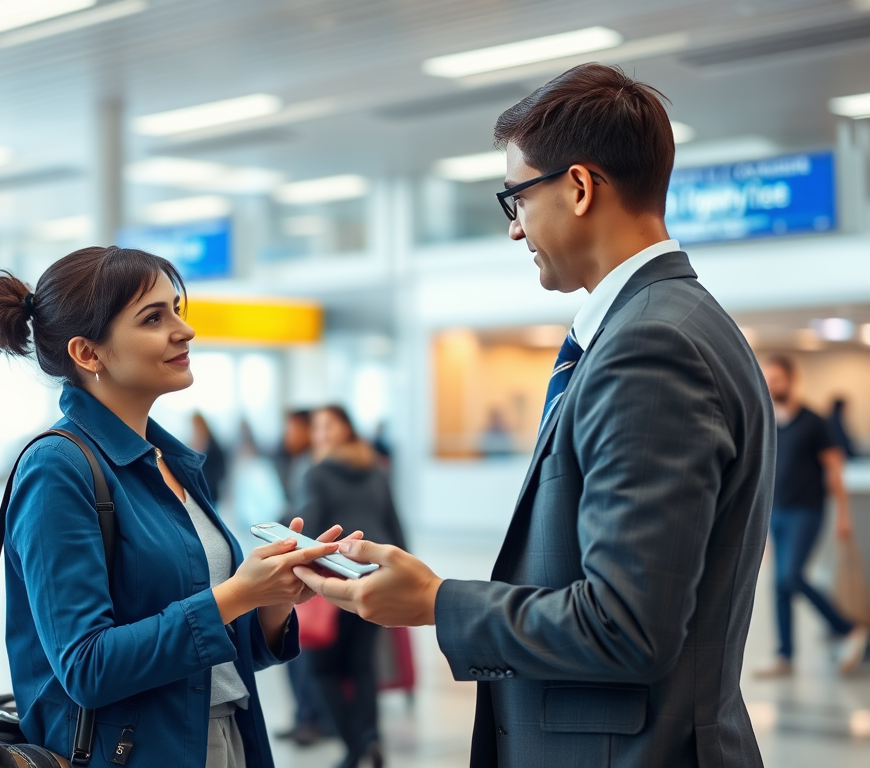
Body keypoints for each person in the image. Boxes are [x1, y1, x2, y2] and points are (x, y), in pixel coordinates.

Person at [297, 64, 776, 768]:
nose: (515, 230)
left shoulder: (651, 345)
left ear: (579, 187)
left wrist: (438, 601)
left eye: (515, 198)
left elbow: (628, 626)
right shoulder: (668, 324)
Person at [0, 245, 354, 768]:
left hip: (224, 737)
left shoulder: (169, 461)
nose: (184, 330)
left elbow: (213, 655)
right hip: (134, 751)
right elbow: (87, 667)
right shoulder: (56, 469)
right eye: (153, 318)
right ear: (88, 354)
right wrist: (233, 595)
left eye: (177, 309)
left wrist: (273, 596)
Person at [300, 405, 407, 768]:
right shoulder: (376, 468)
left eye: (327, 426)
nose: (320, 434)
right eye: (317, 427)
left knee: (322, 668)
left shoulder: (318, 472)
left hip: (337, 578)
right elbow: (394, 522)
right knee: (362, 667)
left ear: (345, 429)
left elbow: (311, 525)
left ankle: (353, 745)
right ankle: (370, 738)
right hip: (377, 575)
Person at [755, 357, 868, 677]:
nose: (770, 385)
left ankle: (848, 628)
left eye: (776, 379)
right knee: (778, 586)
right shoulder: (769, 424)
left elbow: (834, 469)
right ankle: (784, 656)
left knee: (790, 576)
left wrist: (843, 515)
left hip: (807, 511)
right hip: (776, 511)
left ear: (791, 380)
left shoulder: (814, 422)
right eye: (767, 380)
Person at [271, 409, 334, 746]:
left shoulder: (313, 467)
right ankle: (307, 716)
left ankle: (311, 718)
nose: (287, 435)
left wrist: (279, 524)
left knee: (304, 648)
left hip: (308, 562)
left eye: (292, 428)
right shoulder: (303, 463)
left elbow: (304, 513)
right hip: (306, 561)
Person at [190, 413, 227, 504]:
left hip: (211, 491)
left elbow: (221, 470)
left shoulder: (214, 447)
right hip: (199, 492)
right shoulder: (193, 444)